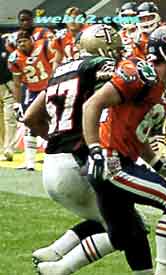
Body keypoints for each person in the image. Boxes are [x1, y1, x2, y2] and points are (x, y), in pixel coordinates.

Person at [82, 25, 166, 275]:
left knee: (123, 237)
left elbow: (137, 135)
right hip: (110, 161)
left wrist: (158, 163)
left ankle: (55, 268)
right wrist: (95, 149)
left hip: (122, 159)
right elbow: (92, 104)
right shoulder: (141, 73)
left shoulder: (164, 87)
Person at [22, 24, 122, 275]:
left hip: (52, 164)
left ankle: (55, 250)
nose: (118, 54)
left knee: (105, 214)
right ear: (102, 50)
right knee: (126, 228)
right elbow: (114, 78)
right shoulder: (95, 66)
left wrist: (56, 138)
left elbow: (31, 117)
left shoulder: (60, 71)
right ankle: (60, 268)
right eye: (114, 50)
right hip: (75, 165)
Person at [8, 29, 54, 171]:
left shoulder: (45, 46)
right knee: (30, 124)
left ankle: (54, 156)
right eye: (19, 42)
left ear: (31, 40)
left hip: (49, 88)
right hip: (32, 91)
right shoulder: (15, 58)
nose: (22, 44)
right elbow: (16, 83)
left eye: (25, 41)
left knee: (53, 121)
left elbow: (56, 63)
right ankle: (30, 163)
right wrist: (16, 103)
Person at [0, 33, 16, 161]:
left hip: (7, 85)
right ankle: (1, 148)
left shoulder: (7, 43)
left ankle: (9, 148)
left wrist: (13, 85)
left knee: (9, 117)